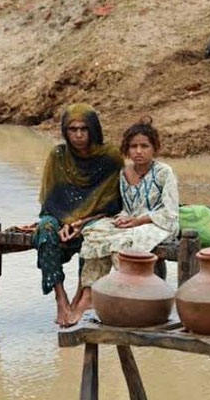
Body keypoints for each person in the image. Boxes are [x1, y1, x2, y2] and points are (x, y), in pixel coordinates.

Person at [73, 116, 179, 324]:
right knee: (94, 232)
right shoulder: (124, 173)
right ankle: (90, 293)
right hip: (131, 222)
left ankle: (131, 293)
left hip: (158, 224)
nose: (138, 151)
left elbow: (170, 212)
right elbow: (126, 208)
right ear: (127, 149)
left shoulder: (164, 173)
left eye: (144, 146)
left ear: (154, 148)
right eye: (133, 146)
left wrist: (138, 222)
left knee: (123, 242)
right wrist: (123, 219)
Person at [33, 103, 124, 327]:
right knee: (44, 229)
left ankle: (82, 295)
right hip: (60, 218)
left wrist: (81, 222)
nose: (79, 135)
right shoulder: (58, 156)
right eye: (72, 129)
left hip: (95, 219)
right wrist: (65, 223)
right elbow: (50, 202)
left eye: (84, 129)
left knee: (95, 234)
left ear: (94, 129)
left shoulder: (110, 157)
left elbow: (113, 204)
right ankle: (60, 297)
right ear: (65, 131)